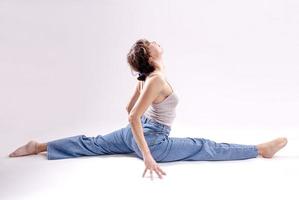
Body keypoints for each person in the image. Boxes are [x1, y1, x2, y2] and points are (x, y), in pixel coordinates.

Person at [9, 38, 288, 180]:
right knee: (204, 146)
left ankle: (39, 146)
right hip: (152, 140)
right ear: (150, 54)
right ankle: (259, 150)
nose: (153, 42)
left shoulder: (147, 77)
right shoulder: (155, 79)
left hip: (140, 133)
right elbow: (132, 115)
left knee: (91, 143)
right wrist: (147, 156)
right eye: (148, 43)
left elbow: (130, 107)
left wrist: (137, 127)